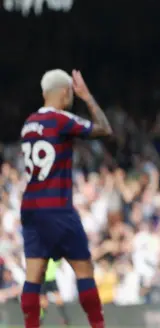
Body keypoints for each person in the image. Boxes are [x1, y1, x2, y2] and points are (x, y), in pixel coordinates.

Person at [20, 69, 112, 328]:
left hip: (31, 208)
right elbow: (104, 129)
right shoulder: (61, 120)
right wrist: (88, 96)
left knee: (33, 277)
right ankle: (97, 325)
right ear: (66, 92)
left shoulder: (28, 123)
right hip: (57, 208)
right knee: (84, 271)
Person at [39, 259, 70, 326]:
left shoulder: (54, 258)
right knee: (43, 302)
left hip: (52, 280)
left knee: (59, 299)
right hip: (43, 280)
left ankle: (65, 318)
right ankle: (40, 319)